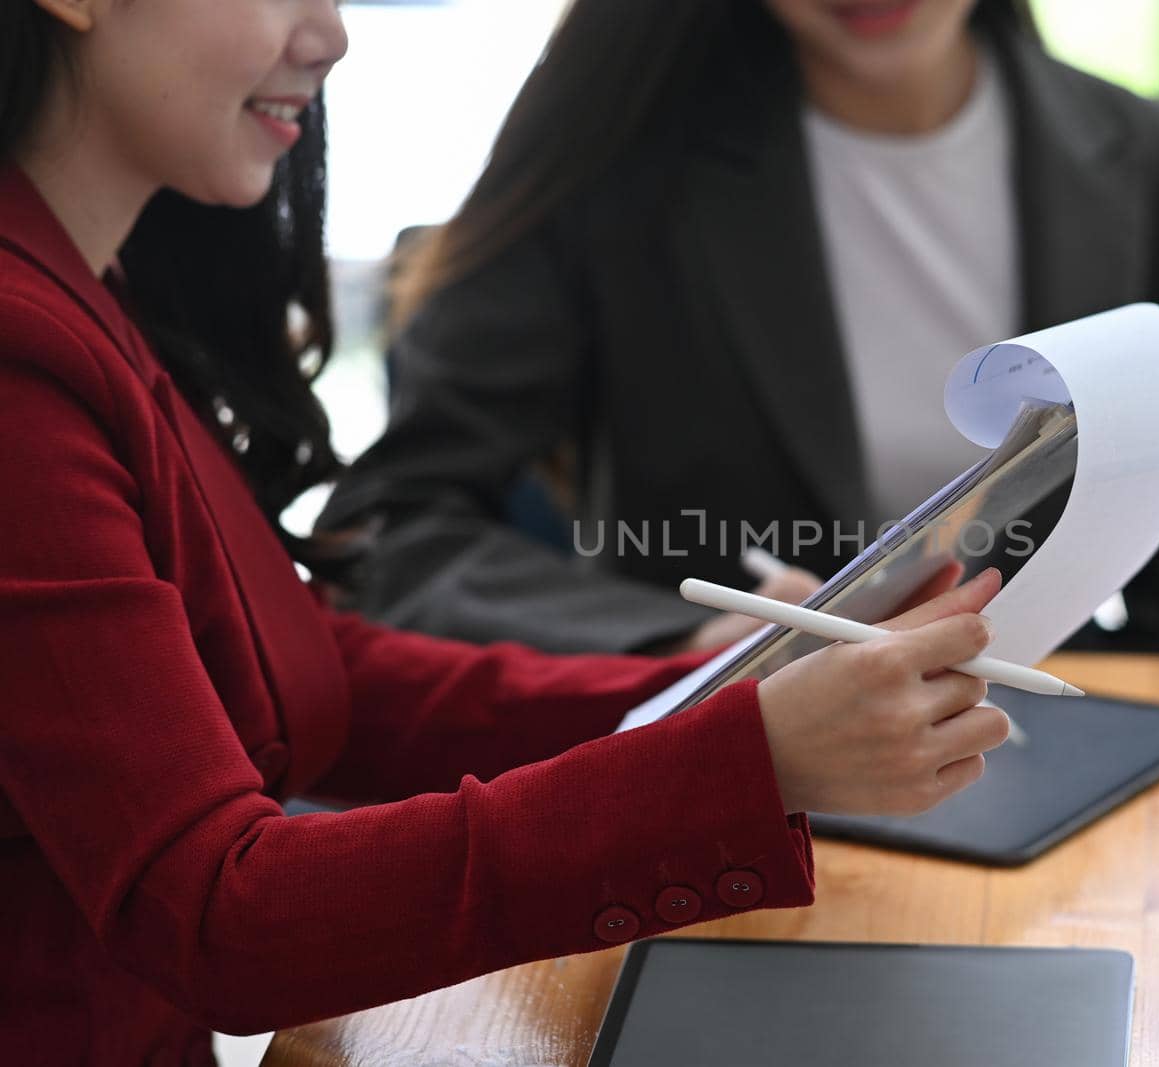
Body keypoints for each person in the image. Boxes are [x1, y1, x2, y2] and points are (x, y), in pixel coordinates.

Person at [0, 0, 1013, 1061]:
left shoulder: (94, 293)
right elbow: (219, 915)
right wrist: (739, 760)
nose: (330, 36)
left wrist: (718, 691)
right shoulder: (22, 358)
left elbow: (292, 665)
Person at [317, 0, 1159, 660]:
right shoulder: (621, 161)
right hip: (729, 774)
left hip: (1047, 759)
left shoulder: (1133, 157)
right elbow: (394, 531)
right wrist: (692, 639)